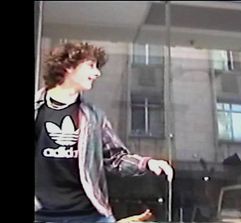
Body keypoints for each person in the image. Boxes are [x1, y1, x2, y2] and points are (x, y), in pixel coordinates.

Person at [34, 41, 173, 223]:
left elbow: (115, 158)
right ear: (68, 66)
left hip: (89, 215)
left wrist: (146, 163)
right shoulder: (38, 110)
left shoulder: (94, 117)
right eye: (91, 66)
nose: (96, 73)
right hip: (41, 214)